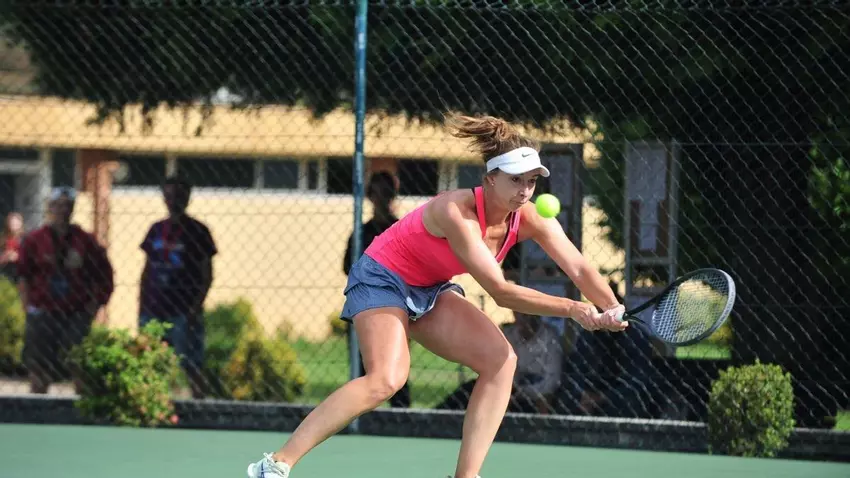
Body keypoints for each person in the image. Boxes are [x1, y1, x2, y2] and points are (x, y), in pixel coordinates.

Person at [246, 114, 628, 478]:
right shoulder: (455, 211)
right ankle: (275, 464)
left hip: (431, 286)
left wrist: (611, 307)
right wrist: (575, 309)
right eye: (515, 180)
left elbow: (579, 269)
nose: (525, 190)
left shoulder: (530, 216)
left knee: (501, 361)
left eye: (531, 181)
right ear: (489, 179)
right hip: (382, 277)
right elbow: (500, 291)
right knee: (386, 380)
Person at [17, 187, 114, 394]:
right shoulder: (35, 239)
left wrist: (96, 304)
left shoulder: (85, 240)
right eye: (58, 205)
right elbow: (23, 274)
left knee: (78, 362)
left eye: (67, 205)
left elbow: (105, 275)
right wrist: (28, 307)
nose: (63, 210)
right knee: (38, 363)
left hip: (75, 311)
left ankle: (81, 402)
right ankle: (38, 402)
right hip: (43, 309)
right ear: (49, 208)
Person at [139, 175, 217, 399]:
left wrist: (195, 307)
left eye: (179, 196)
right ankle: (153, 403)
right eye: (169, 195)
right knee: (151, 362)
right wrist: (141, 304)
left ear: (188, 198)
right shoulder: (156, 229)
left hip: (184, 309)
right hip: (154, 308)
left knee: (190, 363)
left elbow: (207, 274)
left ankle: (200, 403)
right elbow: (146, 269)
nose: (174, 201)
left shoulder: (199, 231)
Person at [342, 170, 411, 408]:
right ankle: (358, 416)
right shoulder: (361, 233)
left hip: (396, 305)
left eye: (386, 193)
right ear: (370, 196)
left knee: (397, 366)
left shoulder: (400, 230)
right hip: (364, 305)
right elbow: (347, 267)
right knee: (363, 367)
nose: (381, 198)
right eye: (377, 192)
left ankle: (402, 416)